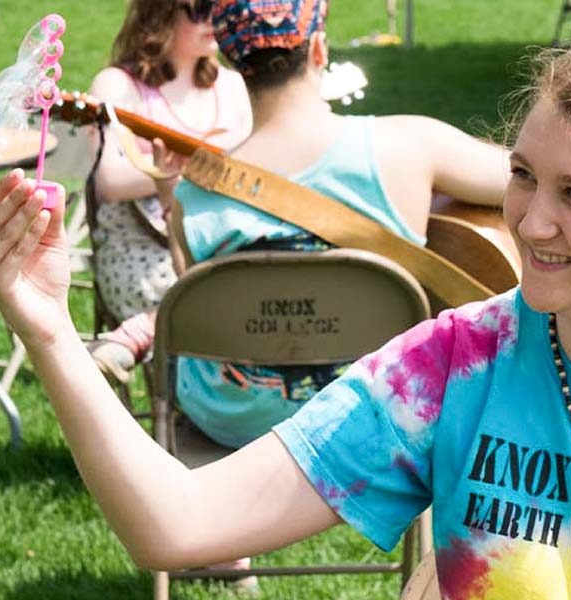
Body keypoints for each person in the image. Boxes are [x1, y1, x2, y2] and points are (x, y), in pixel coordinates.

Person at [0, 35, 571, 600]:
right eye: (521, 175)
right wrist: (49, 329)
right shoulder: (457, 362)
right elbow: (176, 524)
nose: (530, 222)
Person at [94, 0, 511, 450]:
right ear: (318, 48)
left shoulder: (192, 197)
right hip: (376, 412)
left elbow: (198, 314)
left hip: (230, 418)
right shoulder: (410, 146)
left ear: (232, 59)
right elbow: (525, 177)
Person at [85, 0, 252, 385]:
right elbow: (109, 180)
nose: (213, 18)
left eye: (221, 5)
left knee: (263, 286)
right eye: (199, 8)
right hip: (142, 250)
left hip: (220, 243)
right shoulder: (118, 85)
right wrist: (195, 167)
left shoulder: (232, 85)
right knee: (235, 299)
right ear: (159, 13)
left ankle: (142, 338)